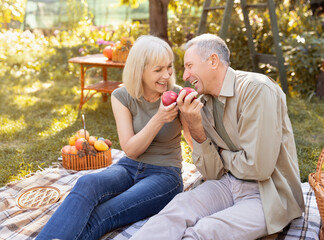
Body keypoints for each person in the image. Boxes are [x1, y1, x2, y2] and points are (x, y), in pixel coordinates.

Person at [130, 34, 305, 240]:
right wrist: (195, 126)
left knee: (205, 231)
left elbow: (258, 167)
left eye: (189, 66)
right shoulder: (202, 104)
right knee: (173, 213)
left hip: (267, 193)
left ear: (213, 61)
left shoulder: (256, 89)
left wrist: (220, 154)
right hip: (226, 183)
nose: (185, 75)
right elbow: (213, 172)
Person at [36, 35, 192, 240]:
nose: (166, 75)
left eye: (169, 67)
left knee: (105, 213)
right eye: (158, 70)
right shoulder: (122, 96)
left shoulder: (179, 96)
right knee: (86, 184)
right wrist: (159, 119)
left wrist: (194, 118)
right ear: (140, 71)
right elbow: (131, 149)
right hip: (128, 166)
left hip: (164, 175)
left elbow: (196, 141)